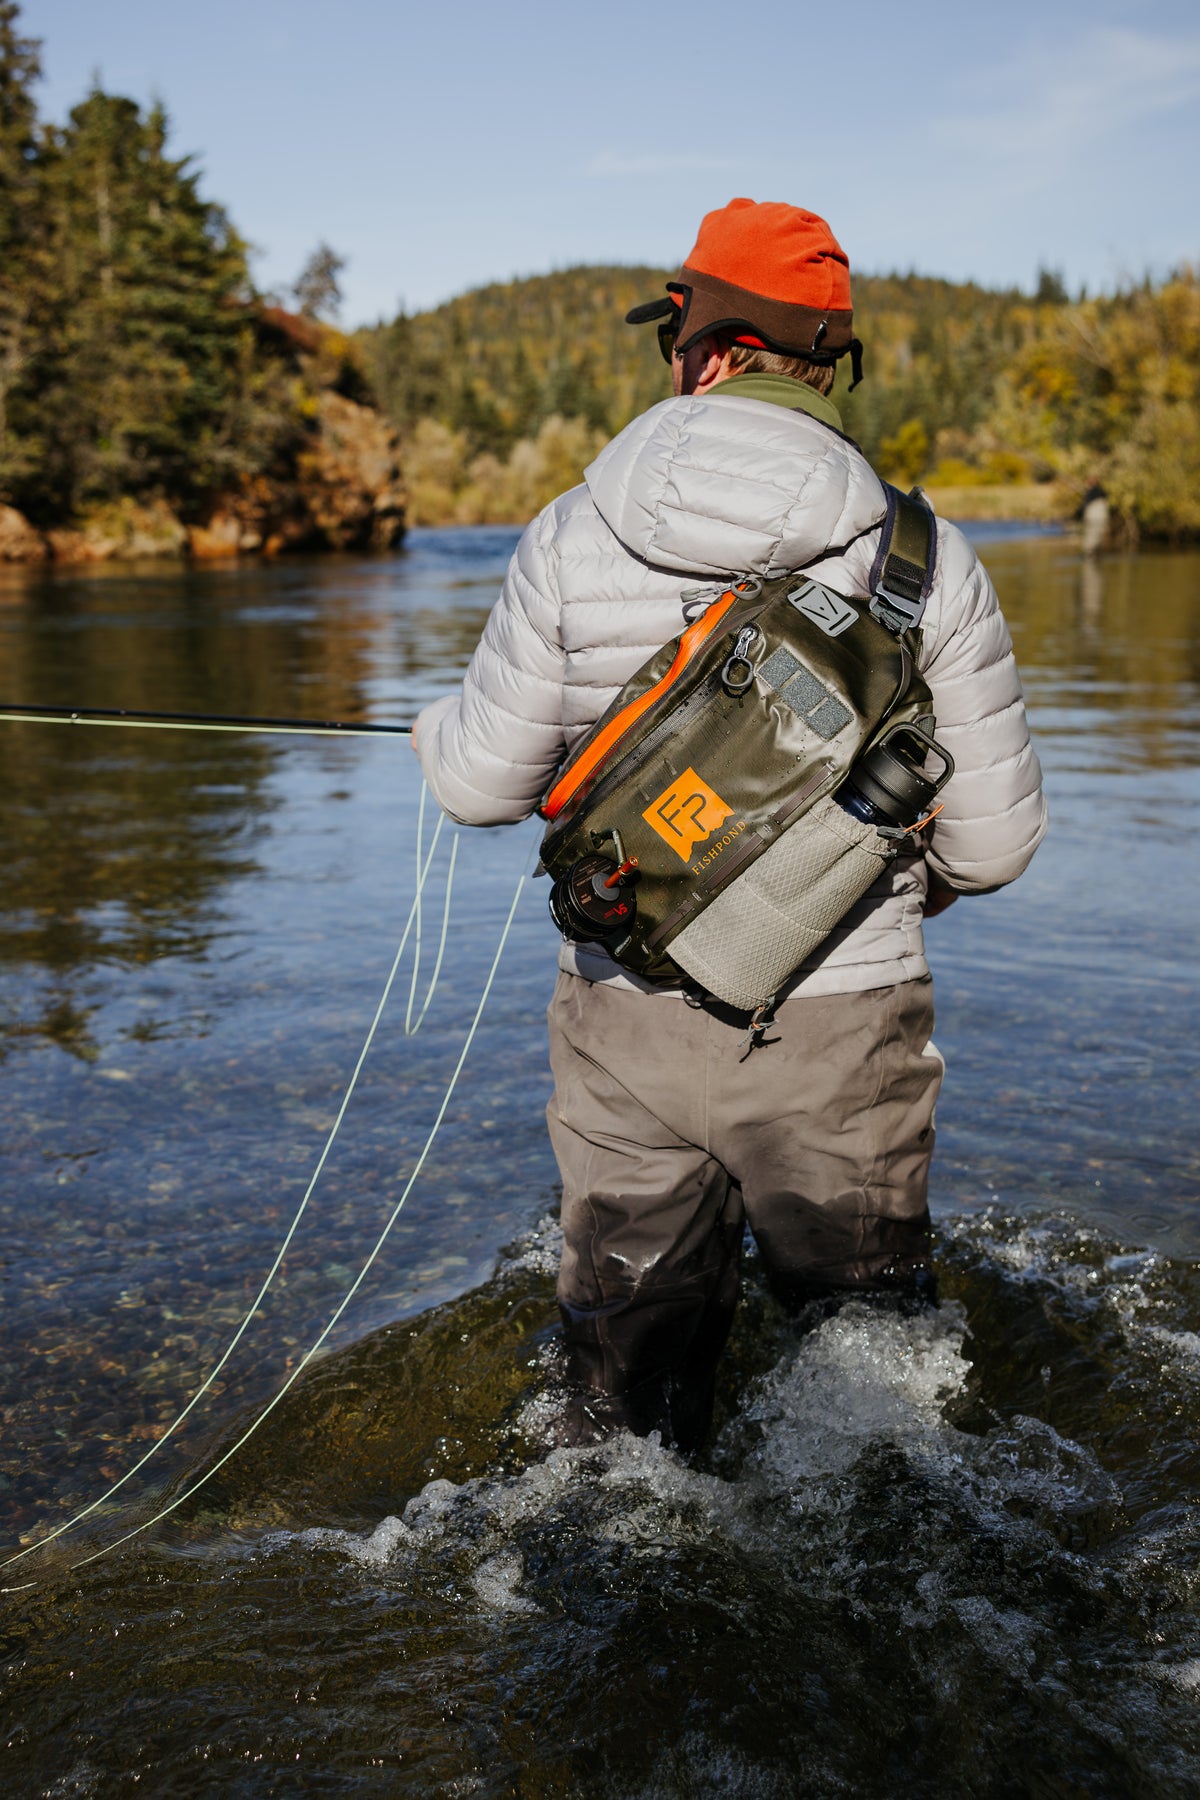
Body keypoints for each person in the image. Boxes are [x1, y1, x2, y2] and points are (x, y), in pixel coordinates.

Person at [413, 198, 1047, 1453]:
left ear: (696, 344)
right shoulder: (925, 561)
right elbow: (991, 849)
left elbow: (480, 787)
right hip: (845, 1033)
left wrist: (439, 724)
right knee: (874, 1401)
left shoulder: (568, 534)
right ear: (826, 360)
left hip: (620, 1013)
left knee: (624, 1398)